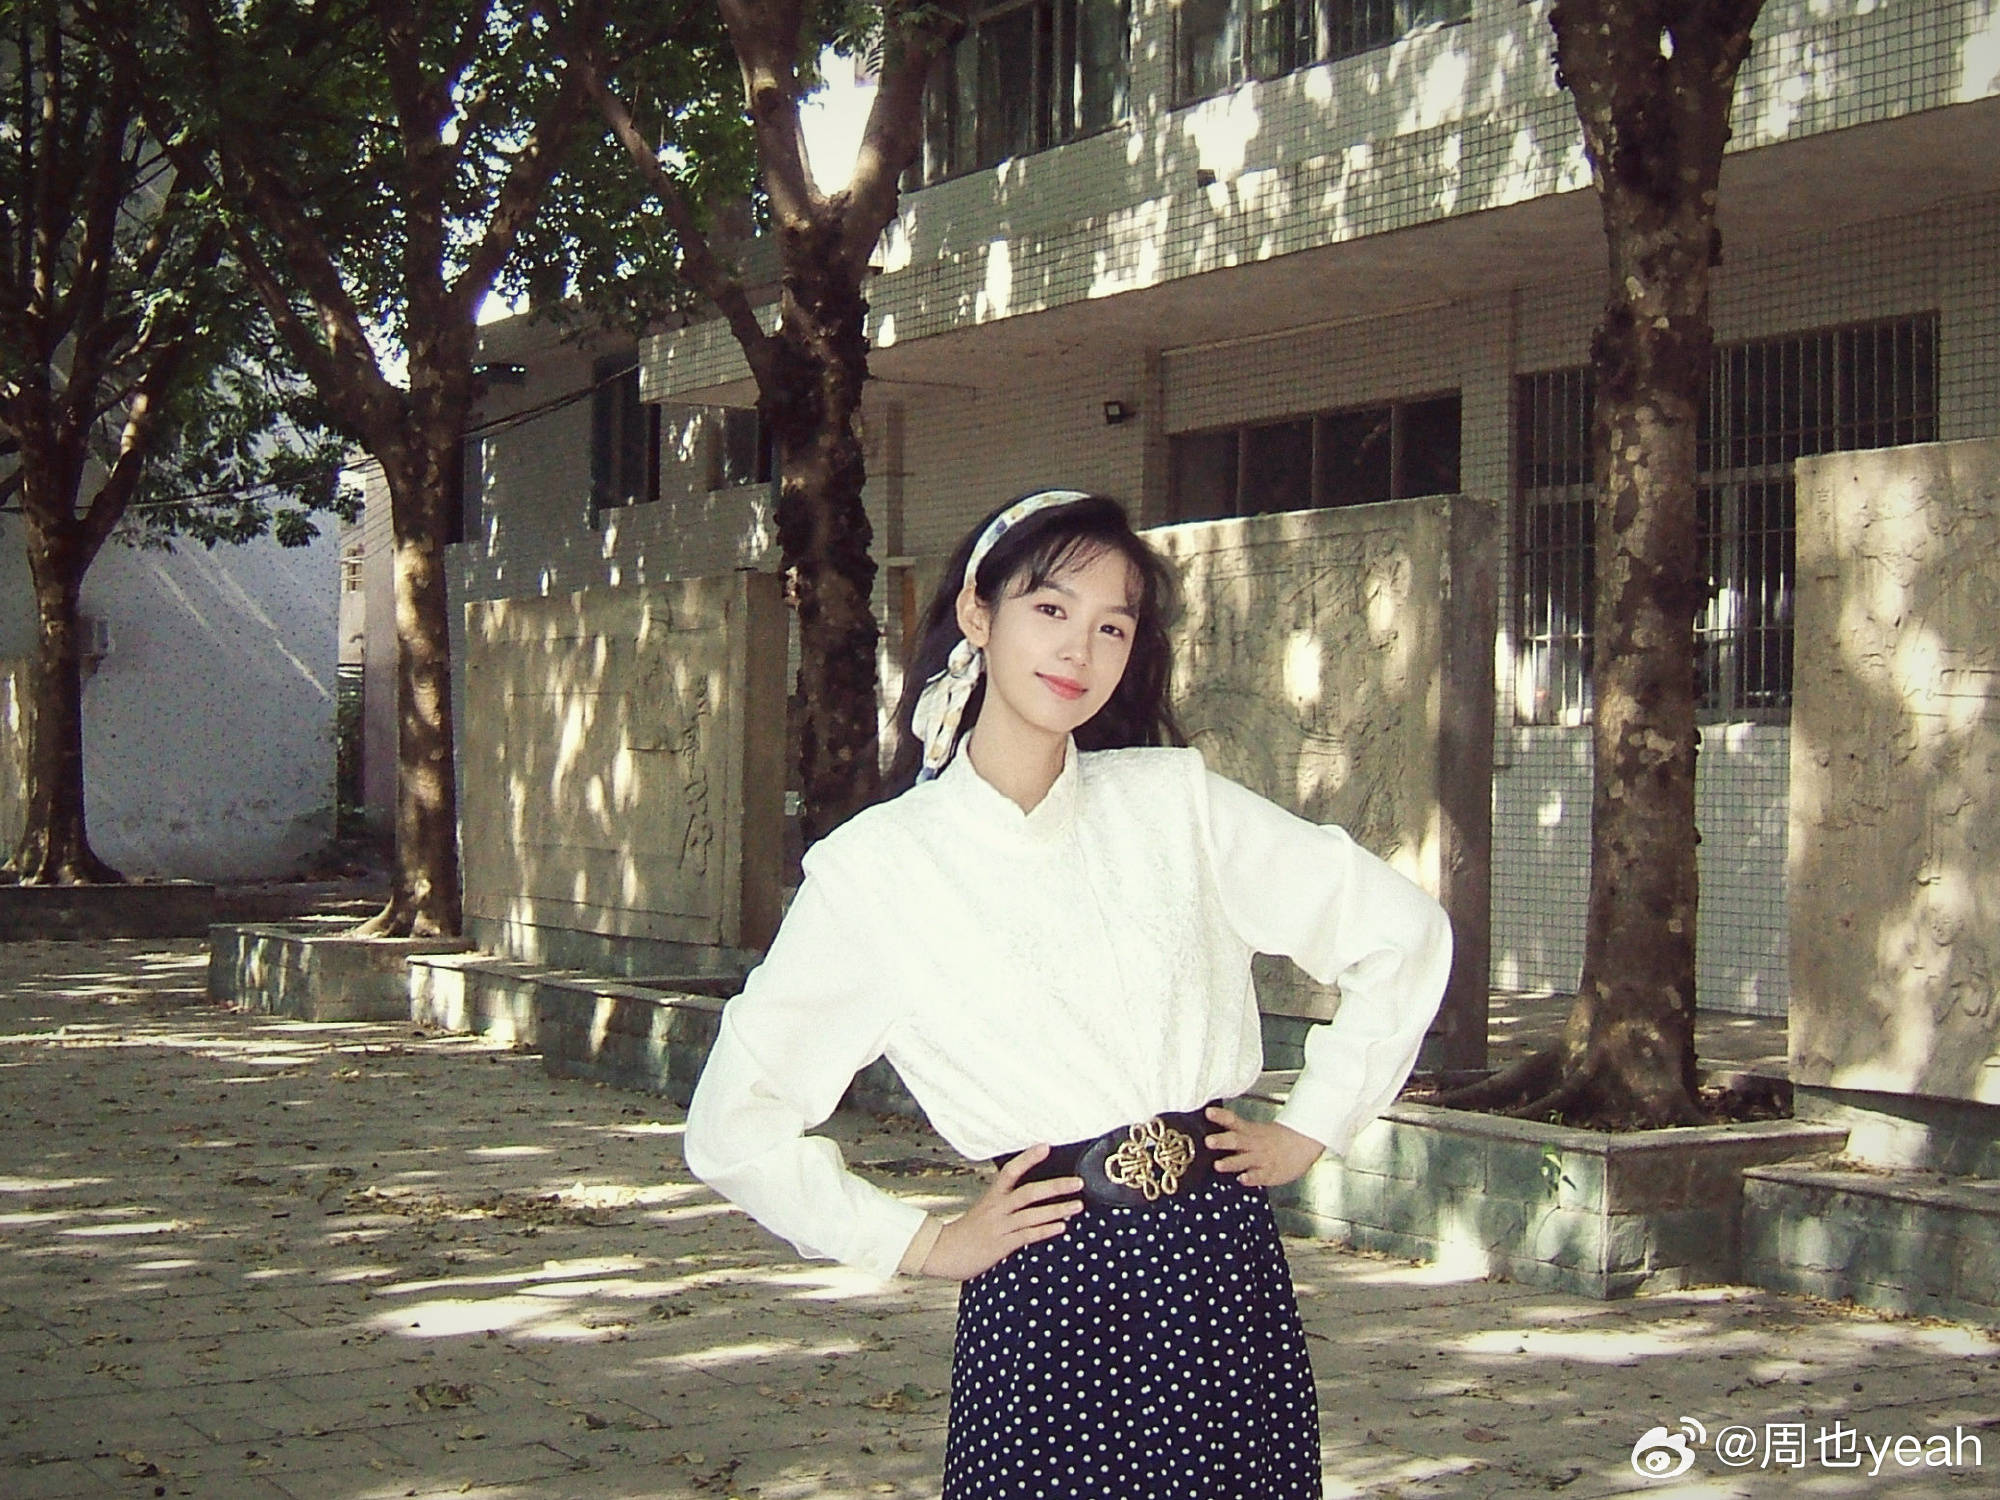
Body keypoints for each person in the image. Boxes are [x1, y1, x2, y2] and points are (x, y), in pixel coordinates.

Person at [683, 489, 1452, 1499]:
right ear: (977, 613)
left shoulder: (1172, 803)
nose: (1078, 650)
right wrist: (922, 1244)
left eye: (1111, 626)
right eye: (1049, 609)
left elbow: (1400, 932)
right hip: (1049, 1288)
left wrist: (1313, 1126)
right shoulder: (879, 871)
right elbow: (733, 1124)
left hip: (1221, 1266)